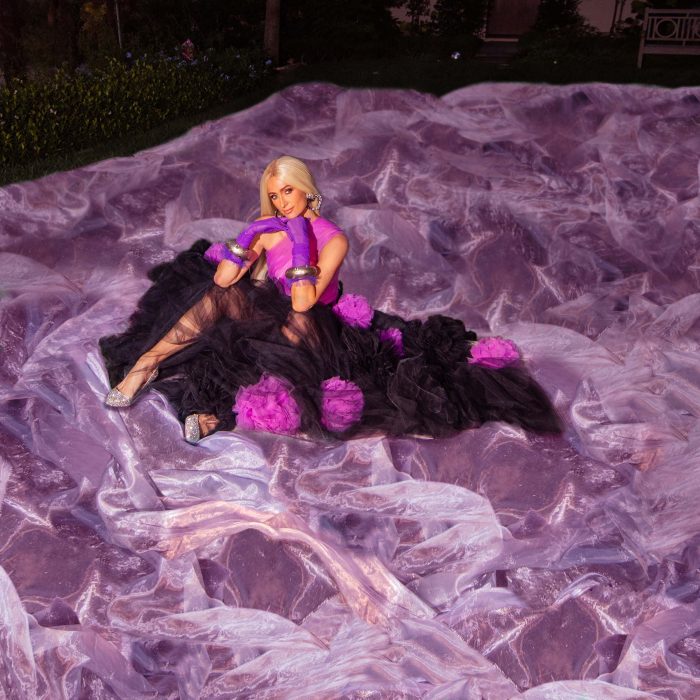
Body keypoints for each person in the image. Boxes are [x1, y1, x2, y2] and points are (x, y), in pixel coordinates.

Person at [100, 155, 561, 443]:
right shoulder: (268, 229)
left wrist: (300, 238)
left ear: (306, 189)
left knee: (292, 327)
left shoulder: (332, 238)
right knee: (222, 295)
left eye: (288, 191)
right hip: (266, 314)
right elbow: (224, 278)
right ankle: (146, 364)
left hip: (316, 325)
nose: (283, 202)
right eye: (275, 195)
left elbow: (304, 301)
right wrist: (251, 234)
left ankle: (218, 414)